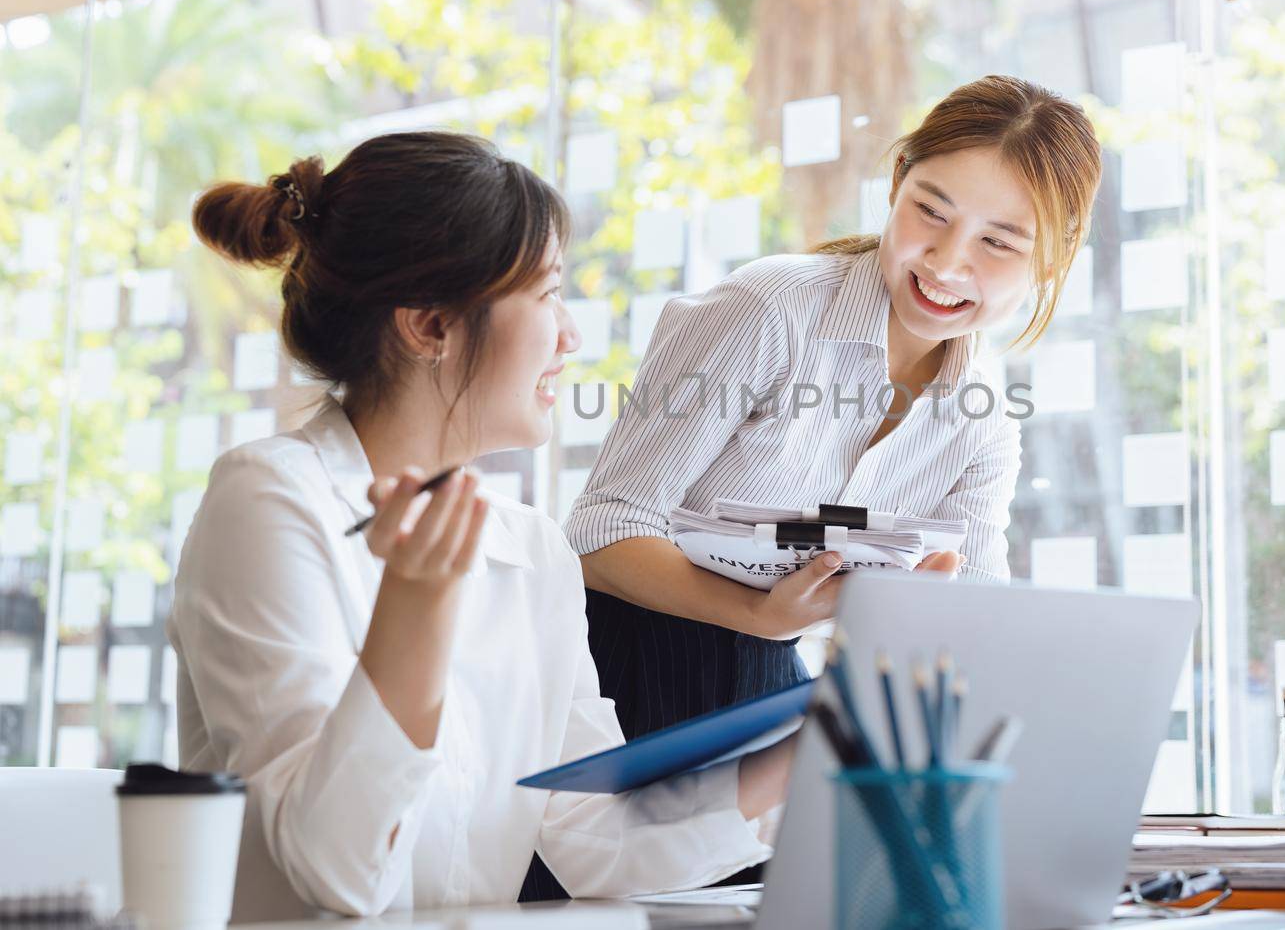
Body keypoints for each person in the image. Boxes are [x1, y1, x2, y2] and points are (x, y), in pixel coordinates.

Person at [166, 132, 790, 921]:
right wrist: (414, 607)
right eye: (546, 295)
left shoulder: (534, 548)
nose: (571, 336)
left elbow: (594, 831)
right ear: (431, 326)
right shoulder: (268, 501)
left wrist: (809, 756)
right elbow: (335, 872)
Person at [567, 74, 1103, 739]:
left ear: (1051, 259)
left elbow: (975, 611)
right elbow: (599, 533)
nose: (947, 260)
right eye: (931, 211)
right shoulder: (768, 312)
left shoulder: (985, 419)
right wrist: (759, 613)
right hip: (611, 680)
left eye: (998, 242)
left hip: (763, 702)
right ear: (898, 179)